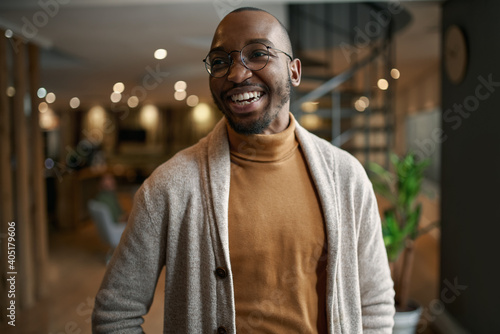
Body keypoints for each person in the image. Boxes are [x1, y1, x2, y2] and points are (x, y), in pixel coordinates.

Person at [92, 7, 395, 333]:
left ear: (294, 71)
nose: (236, 74)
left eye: (258, 54)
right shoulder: (170, 186)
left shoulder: (346, 177)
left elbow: (374, 302)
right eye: (221, 61)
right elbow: (115, 314)